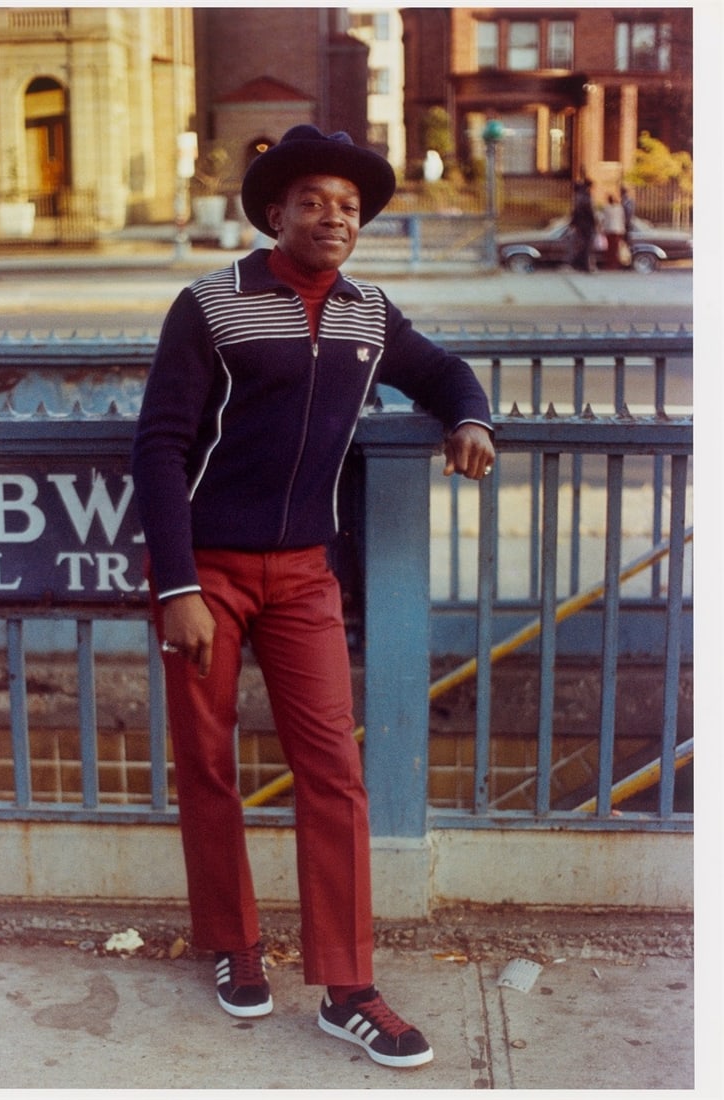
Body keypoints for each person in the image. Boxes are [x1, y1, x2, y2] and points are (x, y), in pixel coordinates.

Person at [131, 124, 495, 1069]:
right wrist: (176, 584)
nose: (333, 216)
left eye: (349, 206)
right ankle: (235, 946)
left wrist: (468, 417)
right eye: (312, 202)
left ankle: (348, 986)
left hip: (303, 574)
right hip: (203, 568)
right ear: (274, 214)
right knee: (208, 761)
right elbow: (161, 446)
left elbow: (442, 371)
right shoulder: (211, 305)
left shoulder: (370, 313)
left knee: (332, 771)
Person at [568, 180, 597, 272]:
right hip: (586, 224)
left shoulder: (578, 196)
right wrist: (594, 222)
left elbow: (575, 212)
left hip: (580, 224)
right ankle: (583, 265)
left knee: (581, 245)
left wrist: (573, 222)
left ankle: (578, 264)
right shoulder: (585, 196)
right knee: (587, 246)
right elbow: (589, 211)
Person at [601, 193, 627, 269]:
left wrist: (603, 229)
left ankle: (610, 264)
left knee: (610, 248)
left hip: (609, 230)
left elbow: (603, 220)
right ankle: (615, 264)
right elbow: (622, 219)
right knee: (616, 248)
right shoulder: (620, 208)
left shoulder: (606, 208)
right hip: (618, 230)